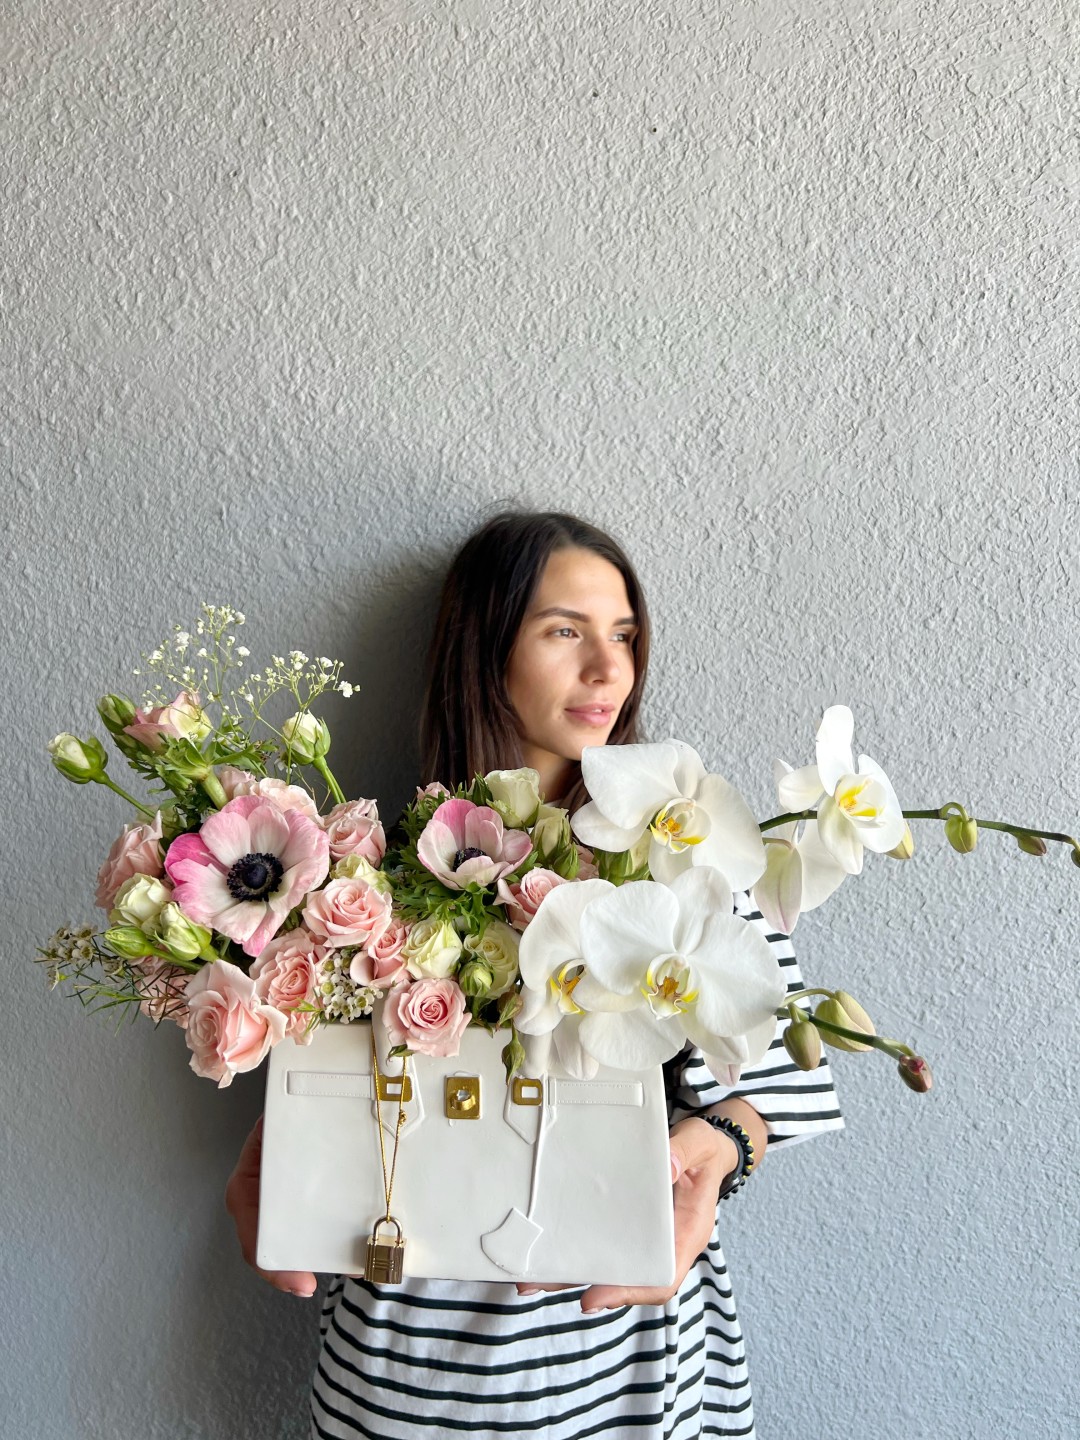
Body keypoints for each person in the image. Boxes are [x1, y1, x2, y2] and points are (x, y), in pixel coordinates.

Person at [226, 509, 844, 1439]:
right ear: (485, 650)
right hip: (409, 1355)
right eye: (566, 631)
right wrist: (290, 1140)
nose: (609, 669)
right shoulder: (368, 875)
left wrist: (716, 1155)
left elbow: (782, 1077)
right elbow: (334, 1086)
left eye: (625, 635)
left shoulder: (684, 861)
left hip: (618, 1349)